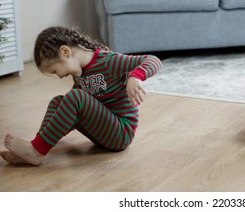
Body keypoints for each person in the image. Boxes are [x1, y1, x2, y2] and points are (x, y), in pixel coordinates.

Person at [1, 26, 162, 165]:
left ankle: (36, 151)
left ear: (65, 51)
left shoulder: (107, 61)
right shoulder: (80, 74)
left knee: (75, 97)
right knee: (58, 102)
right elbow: (72, 109)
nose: (59, 76)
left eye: (55, 71)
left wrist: (135, 77)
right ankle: (37, 146)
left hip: (120, 133)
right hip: (100, 133)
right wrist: (58, 126)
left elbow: (153, 60)